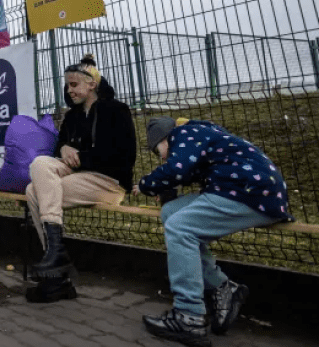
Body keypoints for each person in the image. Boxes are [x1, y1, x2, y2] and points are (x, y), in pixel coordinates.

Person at [135, 117, 292, 347]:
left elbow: (177, 169)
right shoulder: (202, 135)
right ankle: (223, 287)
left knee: (181, 228)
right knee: (172, 213)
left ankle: (188, 317)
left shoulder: (184, 133)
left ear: (163, 138)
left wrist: (145, 184)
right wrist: (166, 189)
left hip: (249, 191)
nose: (161, 157)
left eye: (157, 150)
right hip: (246, 188)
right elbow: (188, 172)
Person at [24, 54, 136, 303]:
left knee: (36, 191)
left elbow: (124, 156)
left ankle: (57, 273)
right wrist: (63, 149)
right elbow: (60, 148)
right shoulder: (72, 116)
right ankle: (56, 258)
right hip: (78, 176)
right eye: (67, 86)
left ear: (91, 84)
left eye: (74, 85)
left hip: (107, 182)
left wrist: (82, 158)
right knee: (39, 166)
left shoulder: (116, 110)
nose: (69, 90)